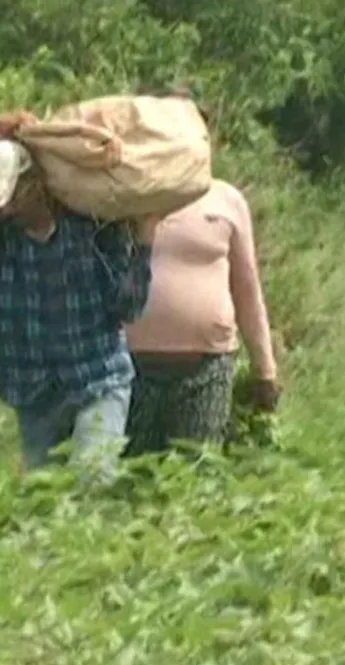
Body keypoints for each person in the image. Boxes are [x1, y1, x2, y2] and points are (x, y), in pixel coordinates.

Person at [0, 112, 154, 485]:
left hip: (96, 379)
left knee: (92, 480)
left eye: (11, 198)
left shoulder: (91, 229)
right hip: (35, 391)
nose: (5, 211)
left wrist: (145, 243)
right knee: (42, 500)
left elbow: (129, 307)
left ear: (36, 186)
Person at [124, 92, 280, 455]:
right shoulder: (128, 198)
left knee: (196, 476)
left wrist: (265, 370)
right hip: (132, 369)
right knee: (130, 481)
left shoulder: (226, 200)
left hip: (206, 370)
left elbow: (247, 289)